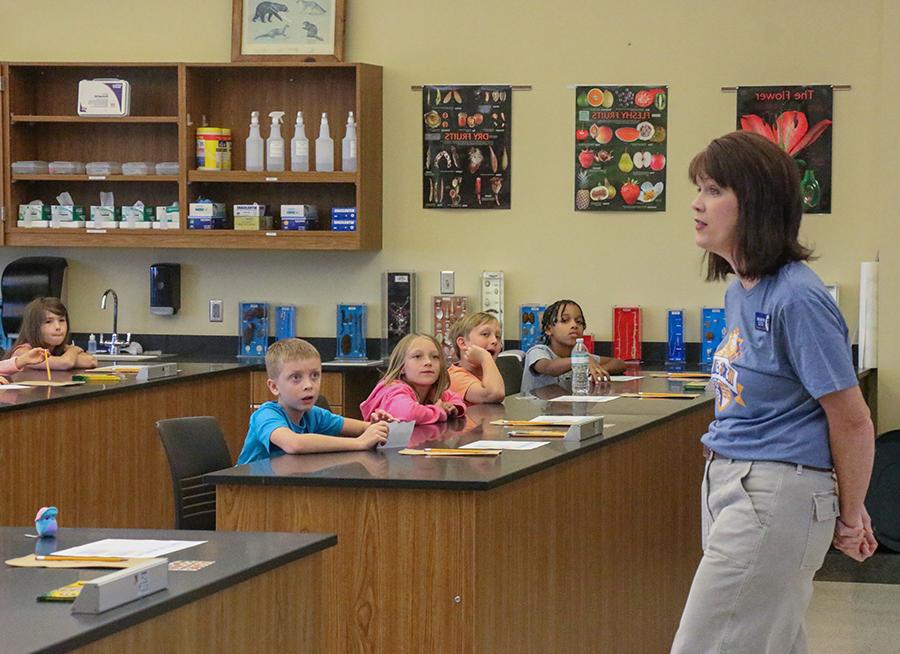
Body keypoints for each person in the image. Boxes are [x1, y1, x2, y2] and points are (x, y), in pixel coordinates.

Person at [671, 131, 877, 653]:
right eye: (699, 188)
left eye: (714, 189)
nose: (697, 203)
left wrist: (848, 515)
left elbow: (851, 419)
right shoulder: (742, 289)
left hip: (772, 492)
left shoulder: (797, 297)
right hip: (733, 483)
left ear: (756, 202)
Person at [237, 338, 392, 464]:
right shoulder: (265, 415)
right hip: (247, 495)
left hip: (287, 489)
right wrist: (359, 443)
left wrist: (378, 425)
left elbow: (363, 428)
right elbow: (294, 444)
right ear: (274, 386)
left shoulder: (313, 415)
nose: (308, 385)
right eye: (296, 378)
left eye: (315, 375)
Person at [520, 299, 625, 394]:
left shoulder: (580, 355)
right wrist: (582, 360)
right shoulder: (538, 351)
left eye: (579, 322)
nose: (574, 325)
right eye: (565, 320)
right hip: (535, 413)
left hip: (566, 408)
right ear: (548, 329)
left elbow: (619, 364)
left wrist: (595, 372)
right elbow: (549, 367)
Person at [360, 333, 466, 424]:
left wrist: (453, 407)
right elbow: (409, 414)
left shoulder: (433, 390)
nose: (428, 362)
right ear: (402, 367)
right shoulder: (394, 389)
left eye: (435, 357)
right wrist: (439, 411)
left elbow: (456, 398)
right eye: (417, 356)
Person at [9, 297, 96, 370]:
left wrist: (67, 357)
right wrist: (74, 350)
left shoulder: (56, 349)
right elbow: (65, 363)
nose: (58, 327)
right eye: (48, 322)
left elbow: (91, 361)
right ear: (34, 327)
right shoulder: (23, 352)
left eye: (62, 320)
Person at [447, 312, 505, 405]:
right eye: (485, 334)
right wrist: (485, 358)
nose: (495, 341)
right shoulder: (455, 377)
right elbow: (494, 394)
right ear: (463, 343)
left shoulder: (486, 373)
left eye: (498, 336)